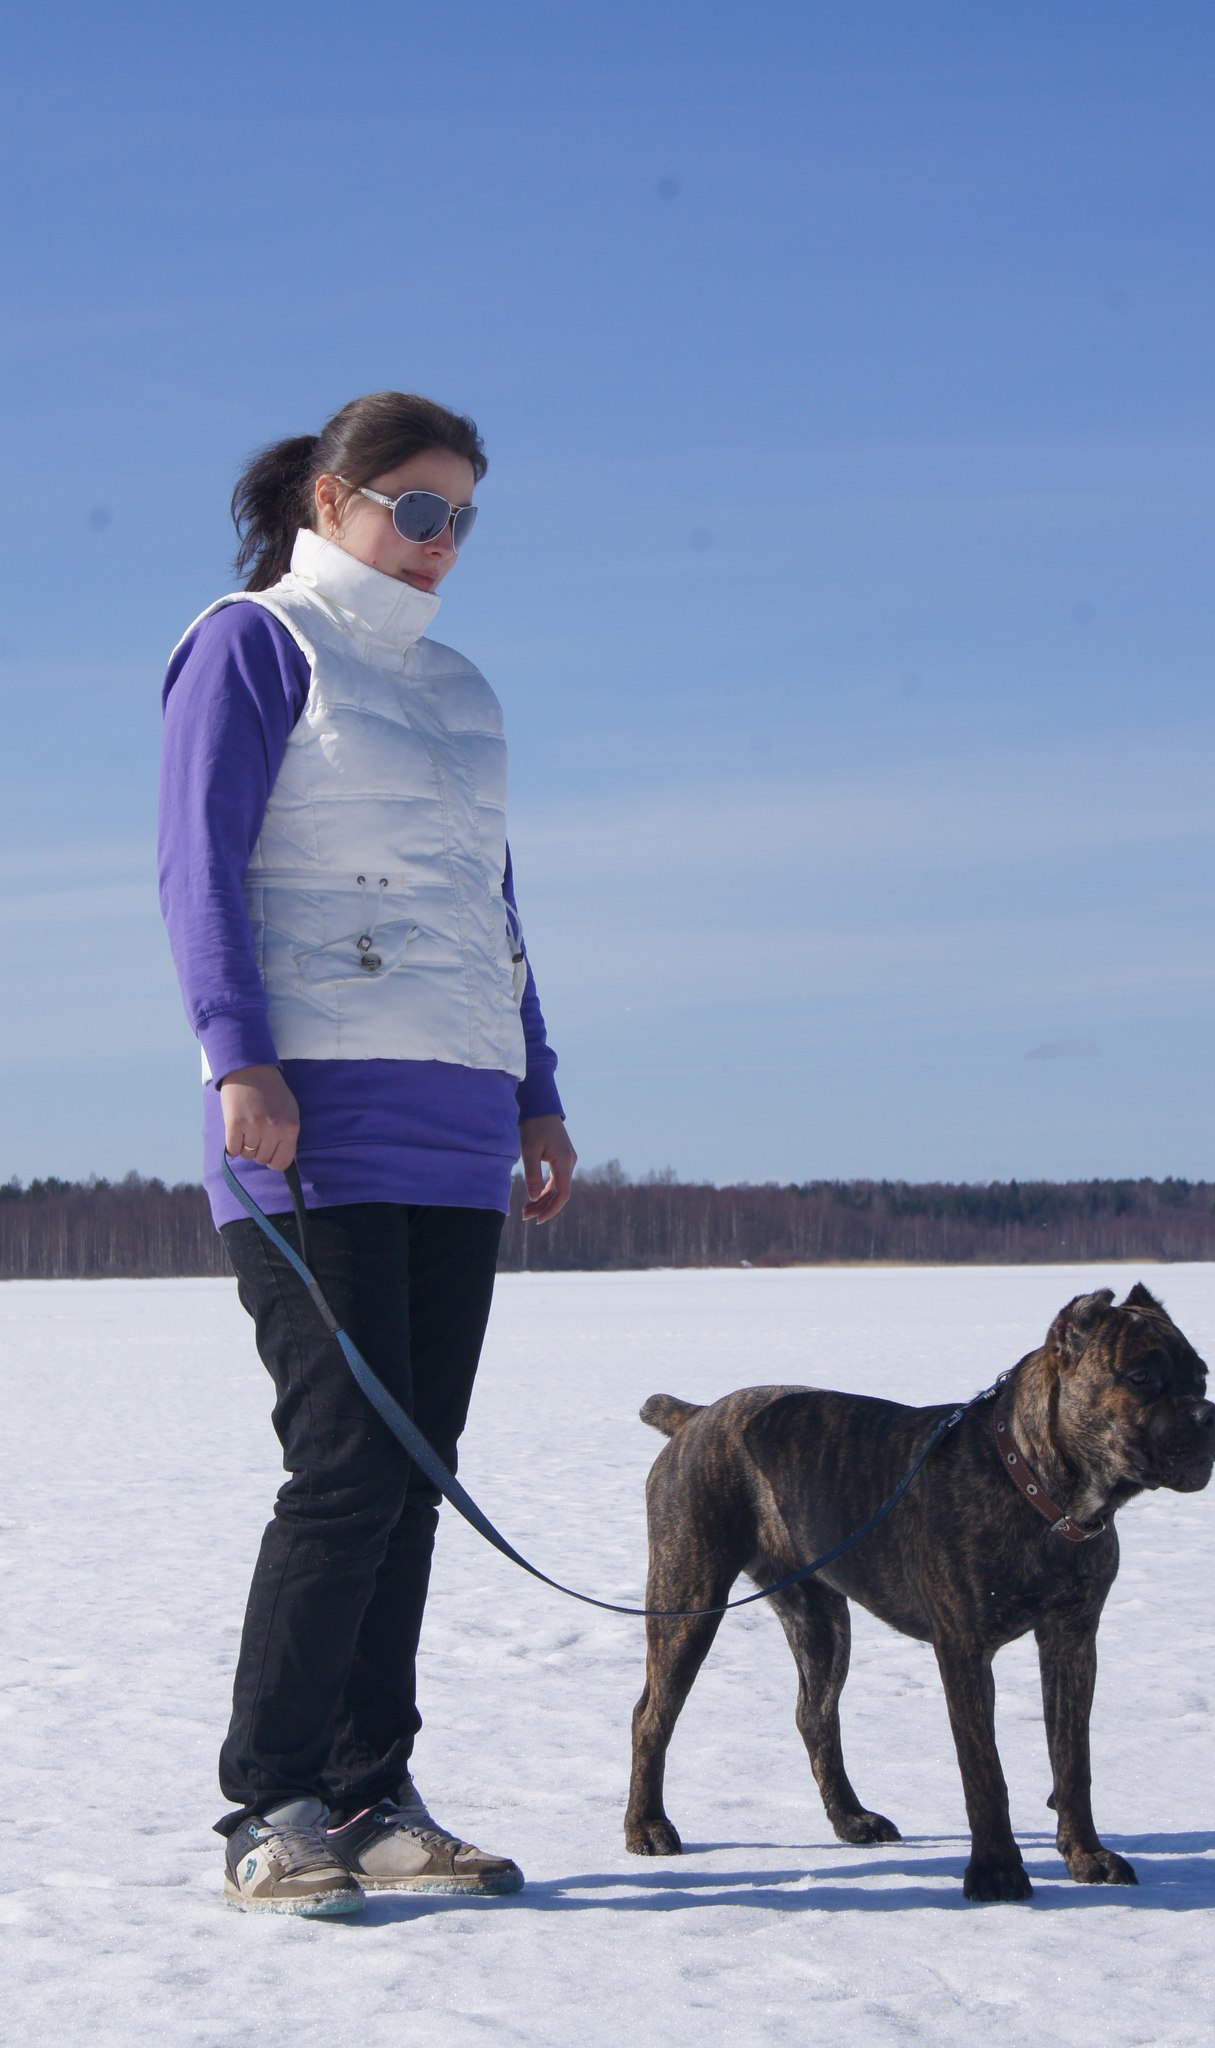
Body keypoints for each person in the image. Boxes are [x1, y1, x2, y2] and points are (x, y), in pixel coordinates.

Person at [157, 390, 576, 1916]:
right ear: (331, 501)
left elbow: (488, 909)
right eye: (417, 508)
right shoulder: (252, 645)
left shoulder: (459, 691)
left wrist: (536, 1090)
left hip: (456, 1123)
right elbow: (197, 865)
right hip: (310, 1121)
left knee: (413, 1477)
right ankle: (269, 1804)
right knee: (344, 1469)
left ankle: (369, 1791)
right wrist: (237, 1056)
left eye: (462, 516)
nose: (441, 540)